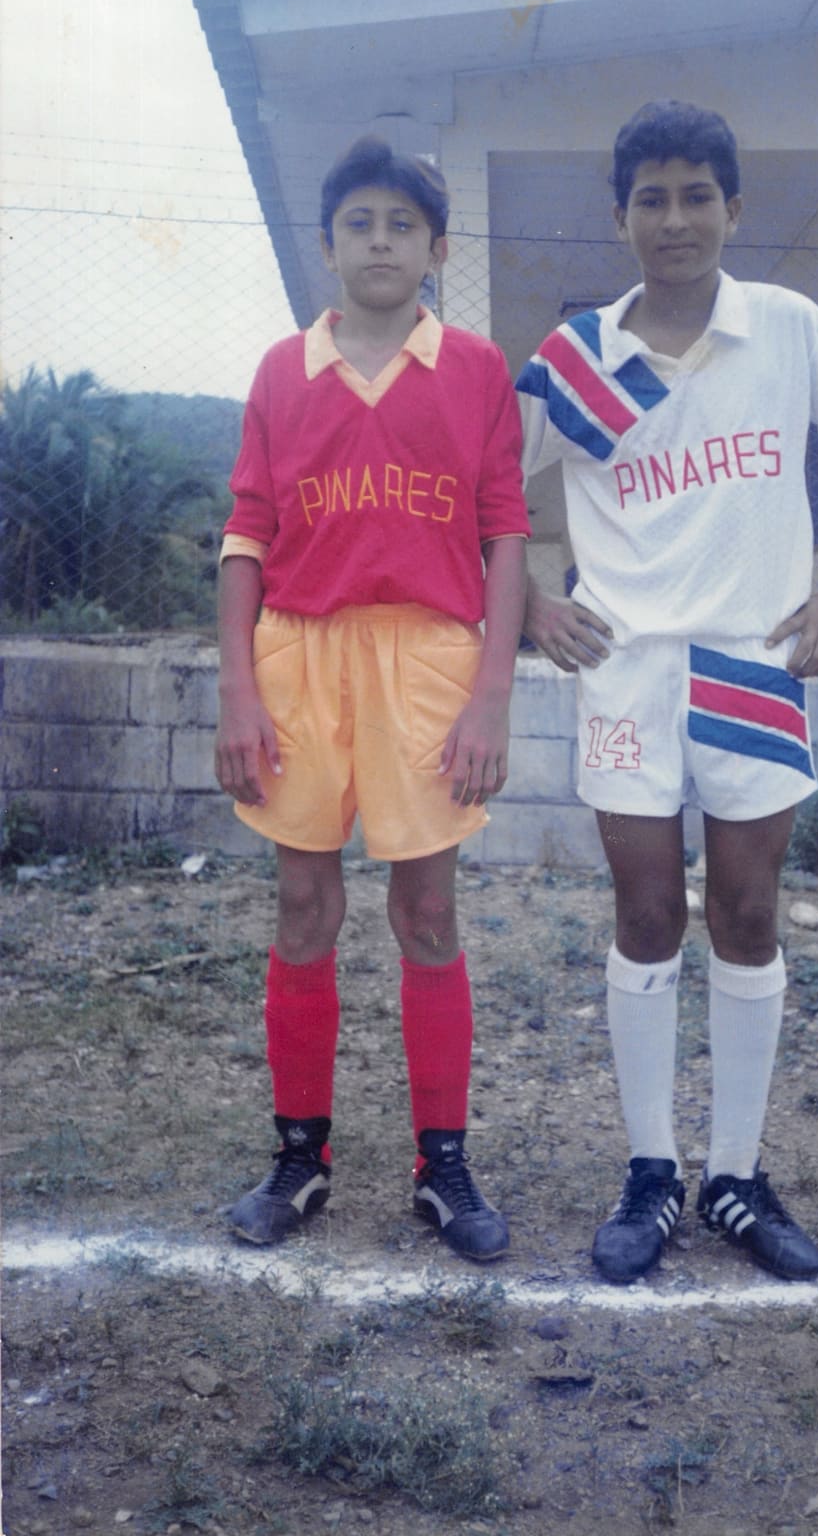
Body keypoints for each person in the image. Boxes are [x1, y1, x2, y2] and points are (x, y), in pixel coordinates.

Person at [516, 101, 818, 1285]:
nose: (674, 219)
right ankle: (650, 1170)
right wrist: (536, 601)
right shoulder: (580, 357)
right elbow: (495, 486)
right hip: (627, 666)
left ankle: (734, 1173)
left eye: (697, 196)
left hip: (750, 661)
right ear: (622, 214)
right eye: (650, 198)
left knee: (745, 909)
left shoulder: (784, 327)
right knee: (645, 914)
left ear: (733, 208)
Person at [214, 136, 529, 1262]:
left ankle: (442, 1166)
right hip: (300, 653)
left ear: (438, 248)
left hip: (429, 660)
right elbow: (247, 535)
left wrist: (491, 691)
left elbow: (503, 530)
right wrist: (239, 691)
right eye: (360, 222)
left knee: (426, 917)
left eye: (403, 223)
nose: (381, 241)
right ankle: (300, 1159)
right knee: (305, 909)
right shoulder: (279, 371)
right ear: (328, 244)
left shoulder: (479, 370)